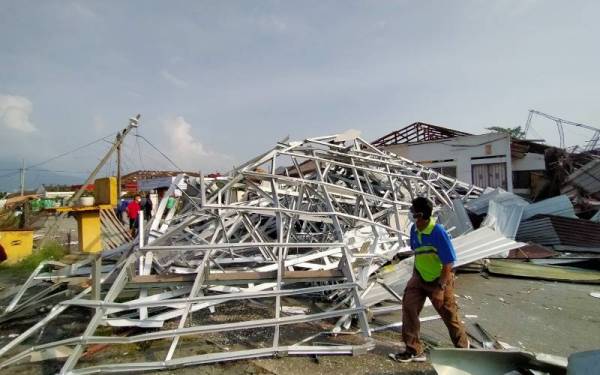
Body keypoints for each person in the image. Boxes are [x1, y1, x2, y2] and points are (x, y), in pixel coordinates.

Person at [390, 197, 469, 363]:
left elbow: (448, 262)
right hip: (419, 276)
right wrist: (415, 276)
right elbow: (418, 253)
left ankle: (463, 349)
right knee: (409, 308)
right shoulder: (414, 230)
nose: (411, 216)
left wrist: (441, 286)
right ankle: (413, 350)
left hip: (440, 278)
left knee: (448, 314)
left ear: (421, 215)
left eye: (413, 213)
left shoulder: (438, 232)